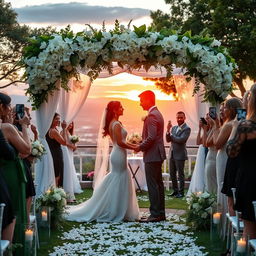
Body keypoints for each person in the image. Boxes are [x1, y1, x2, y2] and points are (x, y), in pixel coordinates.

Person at [66, 101, 140, 222]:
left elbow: (122, 141)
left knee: (118, 178)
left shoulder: (115, 123)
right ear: (115, 110)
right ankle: (115, 210)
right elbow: (120, 142)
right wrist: (135, 147)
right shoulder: (115, 124)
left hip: (119, 154)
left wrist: (133, 144)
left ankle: (118, 209)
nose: (123, 109)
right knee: (118, 179)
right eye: (121, 107)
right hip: (118, 154)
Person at [0, 92, 31, 255]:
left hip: (4, 173)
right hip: (10, 176)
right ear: (2, 107)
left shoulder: (4, 126)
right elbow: (27, 149)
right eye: (9, 106)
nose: (11, 109)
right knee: (12, 213)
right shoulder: (6, 128)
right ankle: (14, 248)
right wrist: (24, 125)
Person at [227, 84, 256, 239]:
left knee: (249, 231)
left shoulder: (246, 126)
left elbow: (231, 152)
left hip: (250, 181)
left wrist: (236, 126)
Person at [134, 90, 166, 223]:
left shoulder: (152, 116)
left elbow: (151, 137)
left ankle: (155, 214)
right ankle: (160, 213)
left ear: (149, 100)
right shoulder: (157, 113)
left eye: (142, 100)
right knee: (158, 185)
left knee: (153, 185)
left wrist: (140, 147)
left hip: (152, 155)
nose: (140, 104)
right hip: (157, 154)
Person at [166, 111, 191, 198]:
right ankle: (175, 191)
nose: (179, 119)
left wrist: (172, 136)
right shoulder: (174, 128)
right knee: (172, 174)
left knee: (180, 175)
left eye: (181, 117)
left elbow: (181, 140)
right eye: (178, 117)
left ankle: (181, 192)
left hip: (180, 155)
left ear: (184, 118)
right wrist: (168, 130)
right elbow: (168, 140)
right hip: (172, 154)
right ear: (176, 118)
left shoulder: (187, 128)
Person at [187, 117, 209, 196]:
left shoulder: (210, 131)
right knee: (199, 170)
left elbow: (204, 143)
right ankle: (198, 191)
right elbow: (197, 142)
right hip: (201, 151)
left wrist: (205, 130)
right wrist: (200, 129)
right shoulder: (205, 131)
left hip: (205, 152)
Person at [62, 121, 82, 203]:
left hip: (70, 152)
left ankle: (72, 187)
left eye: (72, 124)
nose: (70, 125)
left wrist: (74, 146)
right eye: (69, 123)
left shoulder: (69, 132)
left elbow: (70, 143)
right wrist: (72, 146)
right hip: (66, 152)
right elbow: (65, 143)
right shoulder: (63, 132)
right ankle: (67, 188)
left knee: (71, 168)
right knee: (68, 168)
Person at [46, 113, 67, 187]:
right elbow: (64, 142)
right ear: (51, 120)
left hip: (52, 154)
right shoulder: (53, 131)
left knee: (55, 174)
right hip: (56, 155)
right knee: (57, 176)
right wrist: (64, 128)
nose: (58, 121)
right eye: (56, 119)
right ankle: (56, 194)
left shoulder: (48, 129)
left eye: (59, 119)